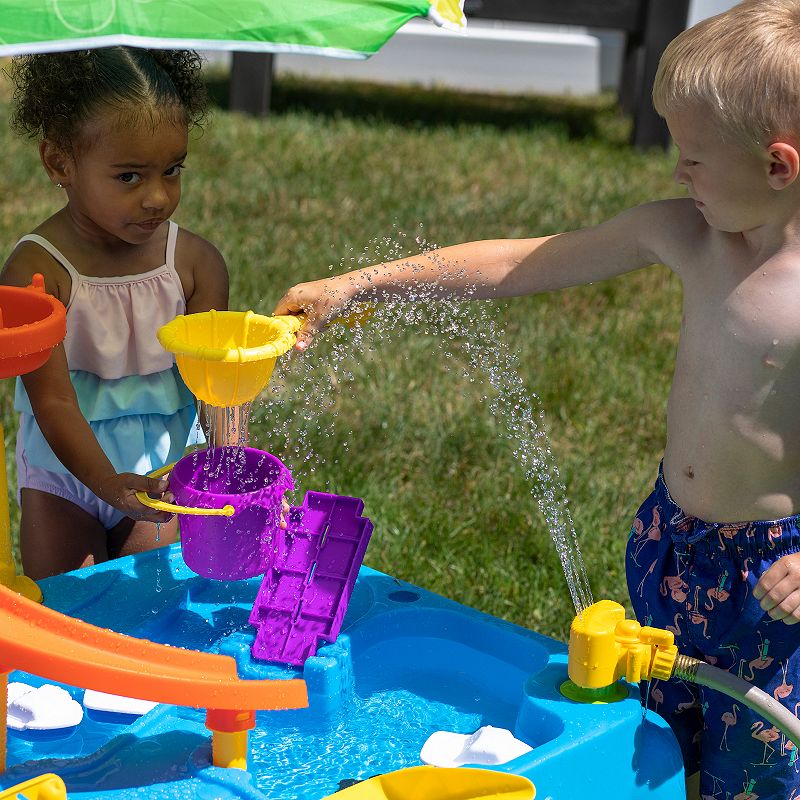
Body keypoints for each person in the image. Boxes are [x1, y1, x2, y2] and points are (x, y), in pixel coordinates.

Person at [273, 2, 800, 797]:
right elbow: (528, 261)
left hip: (772, 584)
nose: (675, 173)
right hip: (670, 544)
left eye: (693, 158)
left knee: (758, 768)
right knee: (658, 749)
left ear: (778, 166)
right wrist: (359, 286)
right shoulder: (691, 236)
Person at [2, 48, 229, 580]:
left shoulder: (195, 265)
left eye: (172, 170)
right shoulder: (37, 271)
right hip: (64, 470)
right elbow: (55, 402)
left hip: (164, 469)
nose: (157, 197)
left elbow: (215, 390)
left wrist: (231, 468)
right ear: (60, 162)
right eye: (129, 177)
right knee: (66, 610)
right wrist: (107, 485)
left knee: (153, 610)